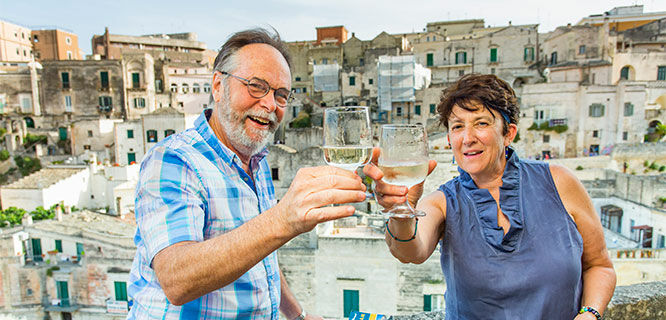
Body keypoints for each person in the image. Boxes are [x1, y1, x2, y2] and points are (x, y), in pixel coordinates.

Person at [127, 28, 367, 319]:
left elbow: (261, 257)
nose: (269, 105)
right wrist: (282, 220)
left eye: (281, 95)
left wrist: (297, 316)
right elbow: (176, 280)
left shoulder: (256, 161)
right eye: (256, 86)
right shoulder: (174, 160)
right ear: (218, 85)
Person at [364, 74, 616, 320]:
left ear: (508, 133)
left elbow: (599, 266)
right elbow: (409, 253)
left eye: (481, 123)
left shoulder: (560, 182)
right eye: (457, 126)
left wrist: (589, 313)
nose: (467, 138)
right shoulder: (443, 201)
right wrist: (401, 210)